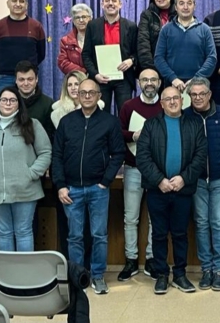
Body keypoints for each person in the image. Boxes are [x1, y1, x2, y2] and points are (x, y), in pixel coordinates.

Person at [53, 79, 125, 295]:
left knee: (99, 234)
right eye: (82, 92)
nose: (86, 96)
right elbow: (57, 155)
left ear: (99, 95)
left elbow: (118, 153)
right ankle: (77, 277)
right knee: (74, 236)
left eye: (91, 92)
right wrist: (60, 185)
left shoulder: (109, 122)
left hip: (98, 189)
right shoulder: (66, 122)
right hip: (71, 190)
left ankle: (97, 275)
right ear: (77, 95)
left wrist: (106, 181)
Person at [136, 86, 207, 295]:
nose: (173, 102)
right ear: (162, 103)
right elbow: (143, 157)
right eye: (168, 99)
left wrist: (184, 178)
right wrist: (159, 180)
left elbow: (201, 155)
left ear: (182, 101)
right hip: (157, 190)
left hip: (182, 190)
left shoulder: (194, 124)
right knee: (158, 234)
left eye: (176, 98)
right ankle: (161, 275)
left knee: (180, 234)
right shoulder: (150, 125)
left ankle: (179, 274)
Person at [0, 86, 51, 251]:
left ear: (18, 104)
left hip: (25, 189)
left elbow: (45, 152)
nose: (8, 103)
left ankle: (24, 276)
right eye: (4, 100)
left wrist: (31, 173)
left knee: (23, 231)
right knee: (4, 233)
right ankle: (7, 275)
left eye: (12, 100)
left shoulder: (32, 125)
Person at [184, 77, 220, 291]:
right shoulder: (185, 116)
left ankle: (218, 271)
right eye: (193, 94)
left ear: (209, 94)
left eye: (201, 94)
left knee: (218, 222)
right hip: (196, 180)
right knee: (202, 223)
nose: (197, 98)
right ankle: (206, 269)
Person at [117, 68, 163, 282]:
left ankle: (152, 259)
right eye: (145, 79)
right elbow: (117, 134)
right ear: (138, 82)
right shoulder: (128, 106)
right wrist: (132, 135)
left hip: (157, 171)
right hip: (133, 167)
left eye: (153, 79)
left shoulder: (166, 105)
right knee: (130, 218)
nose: (149, 83)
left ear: (160, 83)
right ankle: (131, 259)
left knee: (155, 218)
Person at [50, 70, 96, 262]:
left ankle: (88, 267)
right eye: (70, 85)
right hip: (67, 181)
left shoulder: (98, 110)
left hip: (92, 180)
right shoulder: (57, 114)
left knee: (90, 229)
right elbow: (57, 152)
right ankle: (70, 266)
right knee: (69, 227)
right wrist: (60, 183)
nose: (74, 88)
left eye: (77, 84)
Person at [81, 0, 138, 114]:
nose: (110, 3)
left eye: (114, 1)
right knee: (100, 114)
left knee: (125, 114)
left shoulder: (131, 26)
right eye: (107, 1)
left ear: (120, 4)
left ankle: (124, 134)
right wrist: (95, 74)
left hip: (124, 78)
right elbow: (86, 54)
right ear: (102, 4)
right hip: (100, 78)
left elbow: (137, 52)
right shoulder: (92, 25)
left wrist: (131, 60)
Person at [154, 0, 217, 92]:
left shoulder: (204, 29)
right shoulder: (166, 29)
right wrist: (173, 78)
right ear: (176, 7)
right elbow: (158, 58)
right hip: (172, 85)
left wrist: (197, 79)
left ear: (194, 6)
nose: (186, 7)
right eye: (181, 3)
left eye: (189, 3)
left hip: (199, 86)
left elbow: (212, 58)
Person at [0, 0, 46, 94]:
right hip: (5, 77)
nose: (18, 4)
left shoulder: (36, 26)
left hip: (28, 78)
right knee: (6, 108)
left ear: (27, 5)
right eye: (14, 1)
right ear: (8, 3)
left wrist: (28, 70)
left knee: (30, 109)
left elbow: (41, 54)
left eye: (21, 1)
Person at [137, 0, 177, 71]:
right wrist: (150, 69)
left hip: (176, 69)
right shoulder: (147, 15)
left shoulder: (180, 15)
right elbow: (143, 43)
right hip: (154, 68)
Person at [15, 60, 54, 142]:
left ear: (36, 79)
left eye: (30, 79)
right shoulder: (8, 103)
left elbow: (50, 136)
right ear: (16, 80)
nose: (26, 83)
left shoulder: (48, 104)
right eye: (21, 79)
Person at [57, 4, 93, 74]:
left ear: (90, 18)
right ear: (73, 21)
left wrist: (93, 73)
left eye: (84, 17)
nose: (81, 20)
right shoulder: (65, 41)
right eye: (77, 18)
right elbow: (62, 62)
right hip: (75, 80)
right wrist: (83, 72)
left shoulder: (98, 37)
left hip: (95, 79)